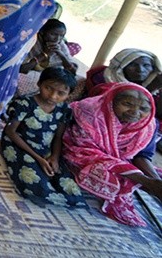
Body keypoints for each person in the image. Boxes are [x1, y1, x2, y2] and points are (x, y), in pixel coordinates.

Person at [63, 82, 162, 226]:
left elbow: (142, 156)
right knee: (105, 175)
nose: (135, 112)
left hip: (117, 159)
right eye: (127, 103)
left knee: (143, 176)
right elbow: (84, 149)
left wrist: (155, 183)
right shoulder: (89, 112)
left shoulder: (148, 125)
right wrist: (145, 181)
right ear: (111, 100)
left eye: (143, 108)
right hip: (80, 151)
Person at [2, 67, 85, 207]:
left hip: (44, 146)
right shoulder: (24, 103)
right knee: (33, 179)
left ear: (69, 94)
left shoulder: (64, 110)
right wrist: (39, 159)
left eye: (61, 93)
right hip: (18, 143)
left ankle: (62, 194)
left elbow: (58, 137)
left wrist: (55, 157)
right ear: (39, 83)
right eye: (48, 88)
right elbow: (11, 131)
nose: (53, 96)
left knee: (69, 186)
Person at [86, 48, 162, 96]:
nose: (140, 70)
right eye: (133, 64)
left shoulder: (155, 83)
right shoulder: (103, 79)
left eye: (146, 65)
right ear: (121, 67)